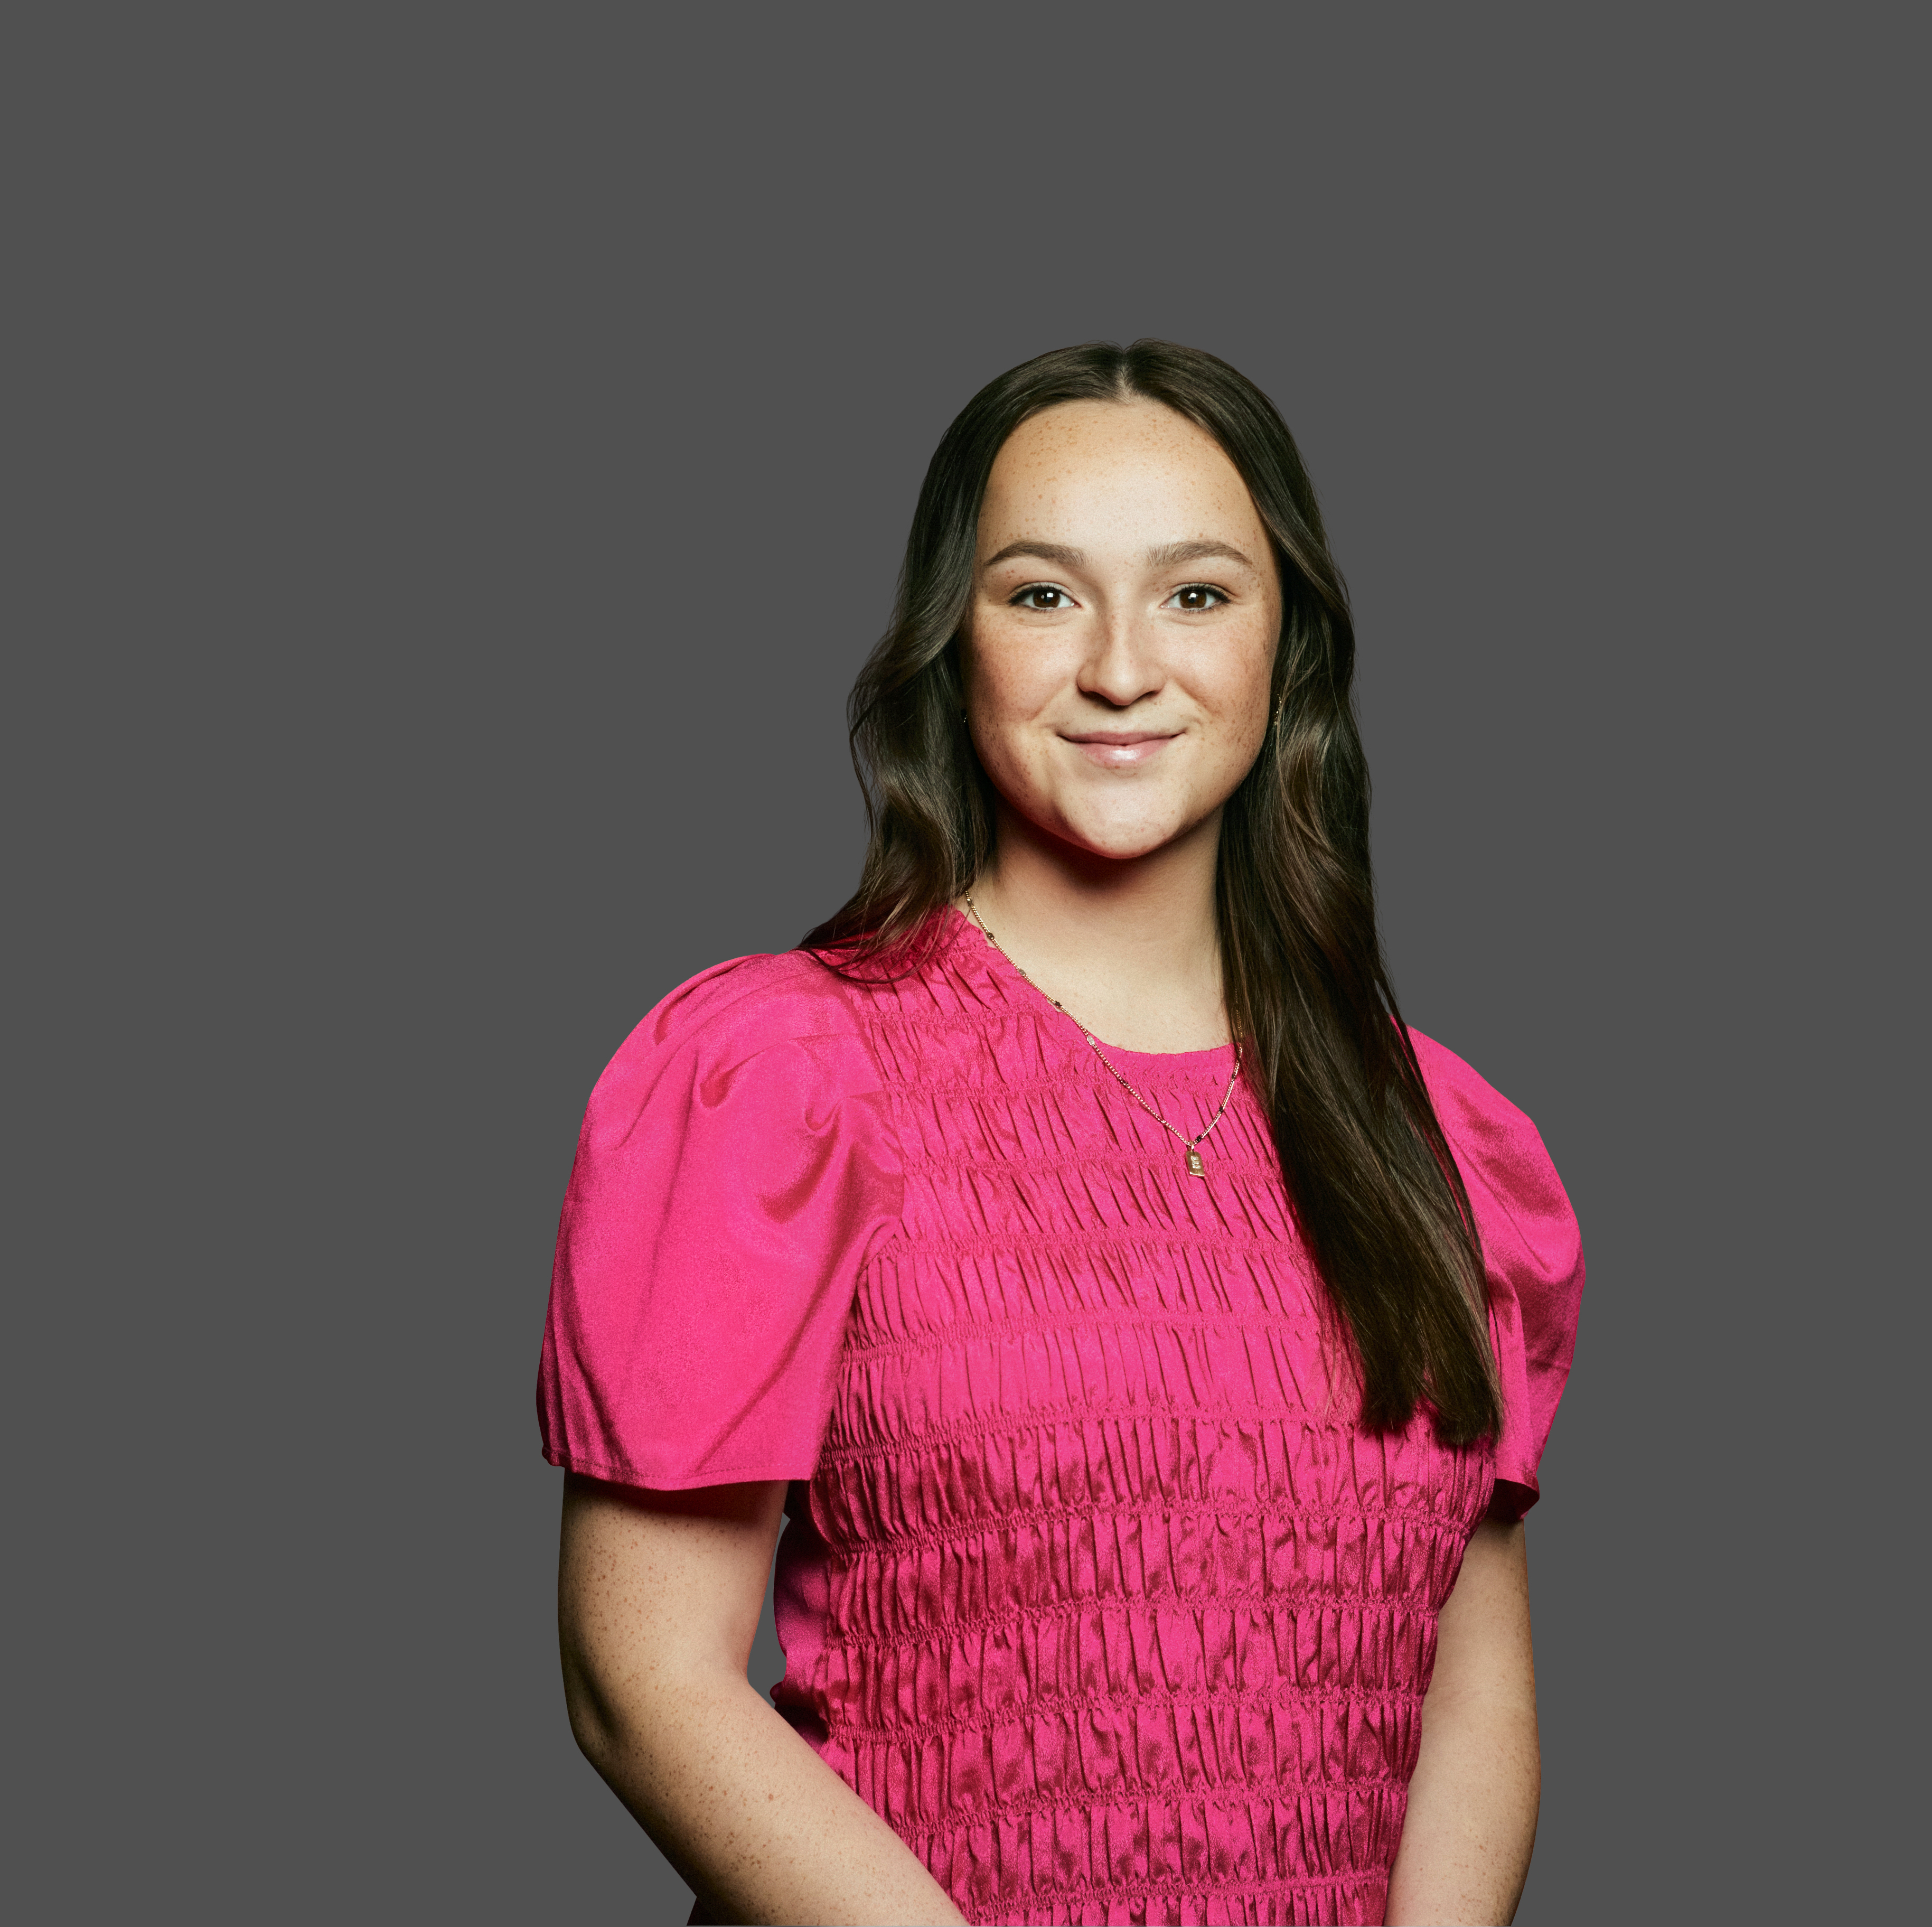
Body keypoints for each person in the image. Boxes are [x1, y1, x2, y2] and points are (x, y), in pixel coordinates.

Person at [540, 340, 1583, 1925]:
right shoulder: (781, 1077)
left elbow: (1468, 1687)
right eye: (1041, 595)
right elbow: (643, 1683)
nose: (1119, 668)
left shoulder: (1438, 1130)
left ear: (1288, 643)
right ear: (950, 643)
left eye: (1196, 594)